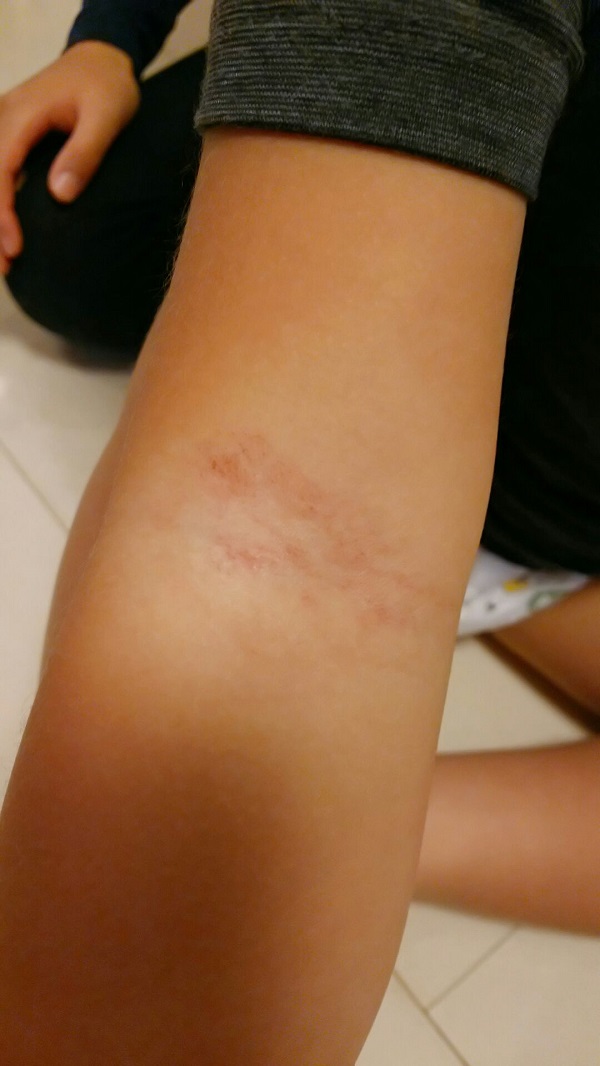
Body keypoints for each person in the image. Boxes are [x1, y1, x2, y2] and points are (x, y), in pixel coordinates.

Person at [0, 0, 598, 1061]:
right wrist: (109, 36)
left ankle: (364, 817)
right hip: (484, 200)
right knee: (57, 229)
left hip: (553, 518)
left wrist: (345, 824)